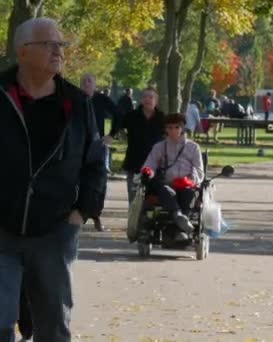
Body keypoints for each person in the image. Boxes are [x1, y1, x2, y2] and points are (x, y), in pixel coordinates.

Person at [0, 17, 107, 341]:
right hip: (0, 232)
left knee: (53, 328)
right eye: (49, 44)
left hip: (54, 233)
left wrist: (81, 213)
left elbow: (95, 162)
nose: (58, 51)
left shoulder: (77, 104)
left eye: (61, 45)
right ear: (23, 51)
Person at [141, 113, 204, 241]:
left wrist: (190, 180)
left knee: (188, 194)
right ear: (165, 129)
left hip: (186, 185)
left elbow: (199, 170)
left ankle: (179, 229)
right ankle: (178, 216)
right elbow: (150, 164)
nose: (173, 131)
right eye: (169, 127)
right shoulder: (159, 147)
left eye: (176, 127)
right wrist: (148, 172)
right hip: (167, 184)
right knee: (165, 190)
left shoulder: (193, 147)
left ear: (182, 128)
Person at [109, 87, 165, 205]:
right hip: (134, 162)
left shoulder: (162, 118)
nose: (148, 100)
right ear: (141, 99)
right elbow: (118, 123)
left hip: (155, 165)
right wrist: (112, 135)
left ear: (156, 100)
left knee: (152, 199)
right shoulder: (132, 116)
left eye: (151, 97)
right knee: (134, 199)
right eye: (145, 97)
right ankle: (133, 222)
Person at [80, 73, 121, 232]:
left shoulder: (102, 100)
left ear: (95, 84)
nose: (87, 83)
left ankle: (96, 214)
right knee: (77, 180)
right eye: (84, 81)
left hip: (97, 146)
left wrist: (111, 135)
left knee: (99, 181)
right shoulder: (76, 98)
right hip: (78, 145)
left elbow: (118, 115)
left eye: (90, 80)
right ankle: (78, 213)